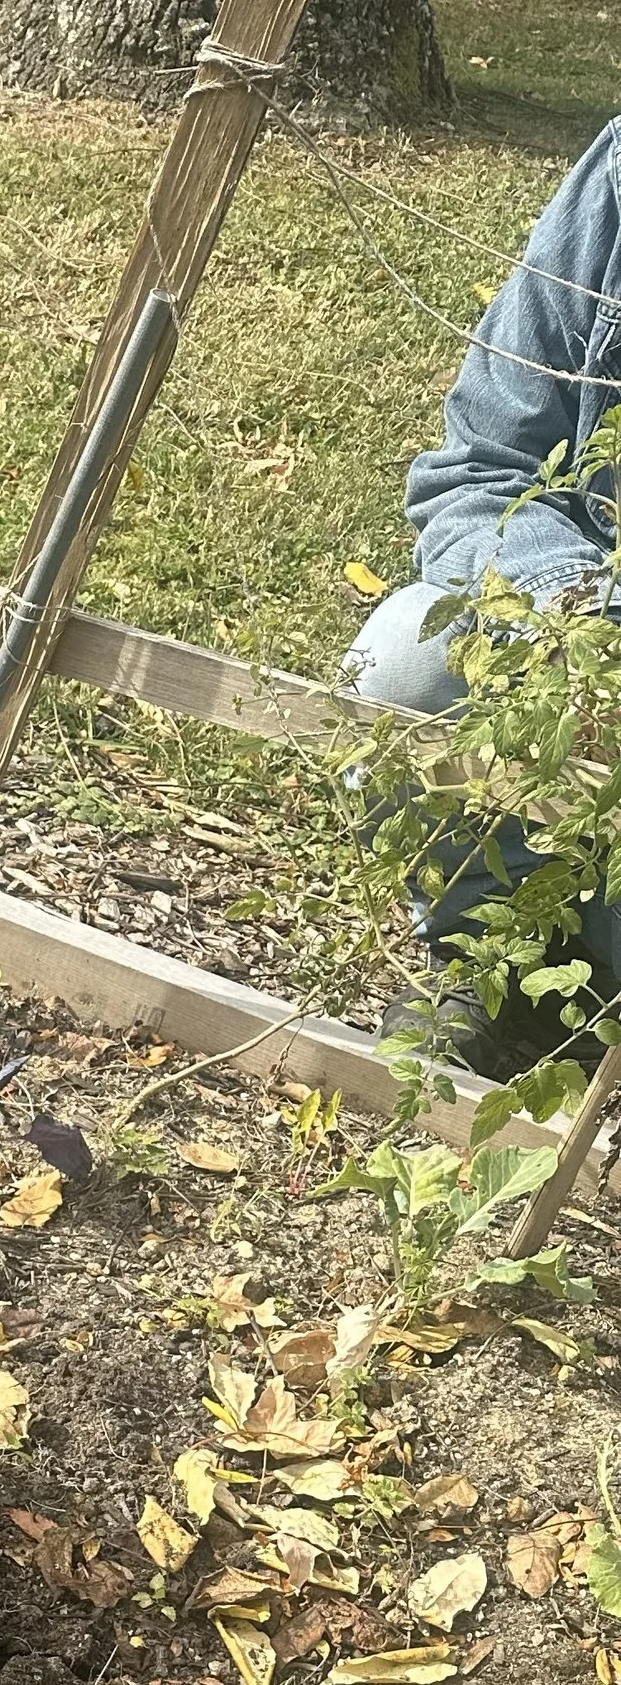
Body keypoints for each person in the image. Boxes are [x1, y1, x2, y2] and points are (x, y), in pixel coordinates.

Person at [344, 119, 620, 1078]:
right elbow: (482, 468)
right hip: (597, 639)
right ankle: (518, 974)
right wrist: (581, 619)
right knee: (413, 656)